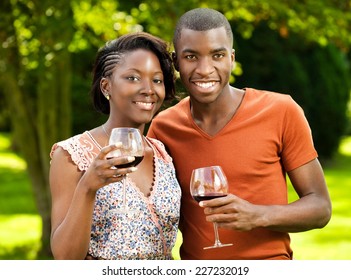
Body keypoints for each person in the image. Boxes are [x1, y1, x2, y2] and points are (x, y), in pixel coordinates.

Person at [147, 8, 332, 260]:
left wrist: (258, 216)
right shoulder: (163, 128)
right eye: (191, 56)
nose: (204, 69)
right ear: (176, 61)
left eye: (217, 55)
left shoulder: (281, 111)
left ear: (231, 58)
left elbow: (320, 207)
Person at [49, 32, 181, 260]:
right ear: (106, 86)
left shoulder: (163, 153)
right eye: (133, 78)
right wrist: (87, 187)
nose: (149, 89)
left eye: (157, 80)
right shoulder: (71, 155)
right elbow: (65, 259)